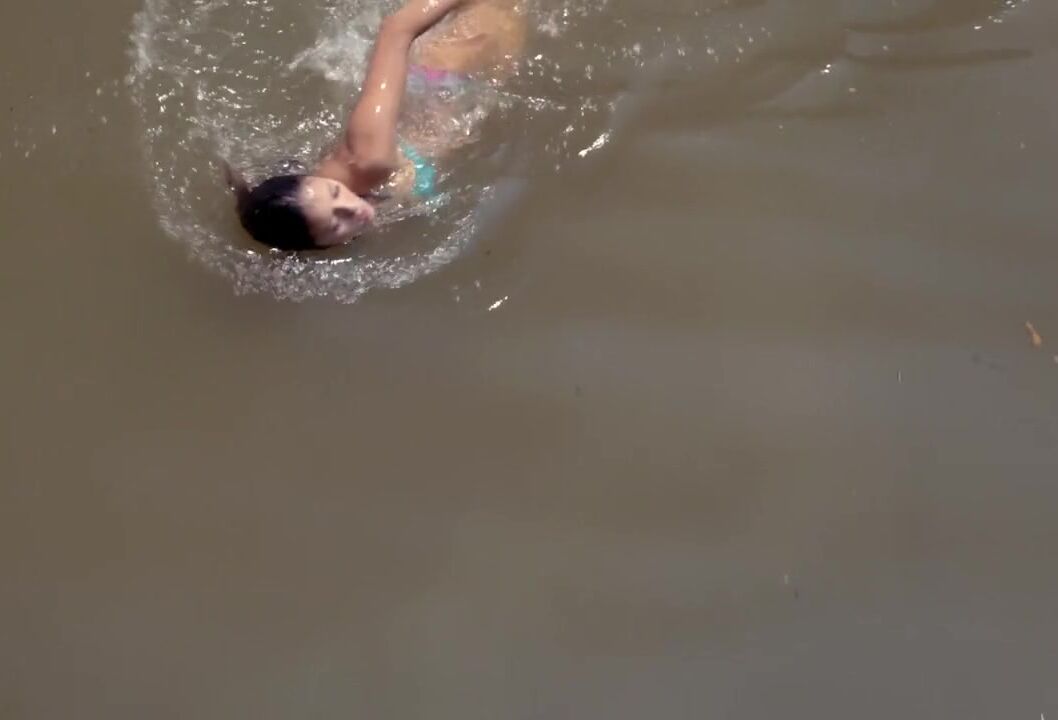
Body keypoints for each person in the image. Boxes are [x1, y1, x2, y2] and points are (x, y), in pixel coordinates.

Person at [225, 0, 526, 252]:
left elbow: (396, 30)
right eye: (335, 224)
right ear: (317, 245)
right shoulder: (336, 222)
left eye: (334, 192)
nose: (352, 209)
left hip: (453, 74)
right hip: (467, 106)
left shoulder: (369, 158)